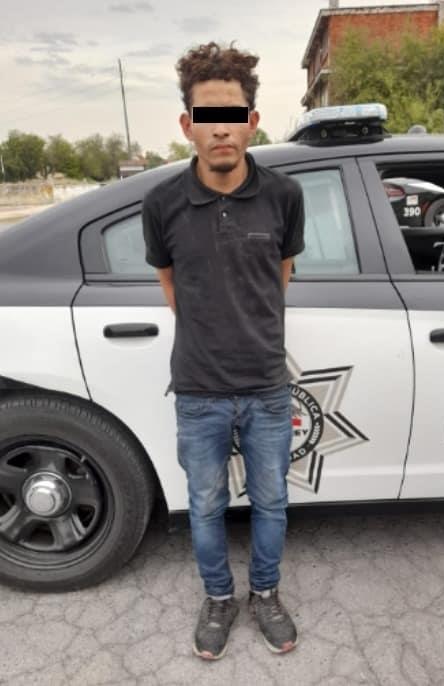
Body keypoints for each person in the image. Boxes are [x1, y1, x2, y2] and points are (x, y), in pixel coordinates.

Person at [142, 40, 305, 660]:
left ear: (251, 121)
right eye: (207, 117)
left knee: (272, 501)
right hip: (199, 390)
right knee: (206, 505)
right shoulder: (161, 204)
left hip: (266, 387)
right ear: (188, 125)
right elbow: (171, 286)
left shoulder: (284, 196)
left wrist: (247, 330)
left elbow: (279, 277)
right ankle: (218, 597)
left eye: (232, 116)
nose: (220, 130)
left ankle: (265, 592)